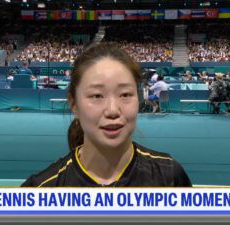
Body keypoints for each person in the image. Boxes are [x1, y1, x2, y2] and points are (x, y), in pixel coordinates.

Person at [21, 44, 191, 187]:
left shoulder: (170, 177)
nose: (112, 111)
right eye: (97, 96)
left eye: (125, 95)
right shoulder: (39, 190)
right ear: (74, 104)